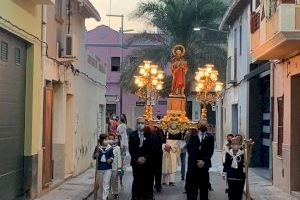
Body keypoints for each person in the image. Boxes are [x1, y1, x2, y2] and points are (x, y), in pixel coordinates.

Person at [186, 124, 214, 200]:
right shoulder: (192, 135)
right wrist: (197, 161)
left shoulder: (210, 137)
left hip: (204, 165)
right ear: (198, 126)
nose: (203, 125)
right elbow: (190, 150)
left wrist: (204, 161)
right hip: (193, 165)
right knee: (192, 187)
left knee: (204, 187)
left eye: (205, 123)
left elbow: (210, 151)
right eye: (202, 123)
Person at [129, 117, 154, 200]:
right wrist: (137, 158)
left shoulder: (149, 135)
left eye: (142, 123)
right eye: (139, 123)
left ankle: (146, 196)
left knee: (146, 180)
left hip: (147, 163)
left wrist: (145, 158)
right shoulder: (132, 135)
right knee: (137, 180)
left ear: (145, 124)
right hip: (136, 162)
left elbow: (151, 149)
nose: (140, 125)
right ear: (136, 124)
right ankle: (135, 196)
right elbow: (131, 149)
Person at [93, 134, 114, 200]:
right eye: (104, 139)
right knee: (101, 184)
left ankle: (104, 198)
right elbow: (93, 157)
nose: (105, 140)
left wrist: (110, 159)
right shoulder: (98, 147)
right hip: (100, 167)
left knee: (106, 184)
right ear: (101, 140)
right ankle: (103, 196)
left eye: (106, 139)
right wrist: (95, 155)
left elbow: (112, 156)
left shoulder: (110, 147)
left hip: (108, 168)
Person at [152, 126, 166, 192]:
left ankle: (158, 185)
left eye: (155, 127)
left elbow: (164, 140)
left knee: (158, 172)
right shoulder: (151, 133)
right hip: (153, 155)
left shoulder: (160, 133)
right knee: (153, 172)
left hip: (158, 154)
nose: (154, 128)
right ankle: (155, 185)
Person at [108, 134, 122, 199]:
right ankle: (106, 194)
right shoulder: (106, 147)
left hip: (115, 167)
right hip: (107, 168)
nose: (111, 140)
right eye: (109, 139)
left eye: (112, 139)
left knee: (114, 181)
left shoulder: (117, 148)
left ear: (114, 140)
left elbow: (119, 158)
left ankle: (115, 192)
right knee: (107, 181)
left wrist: (119, 168)